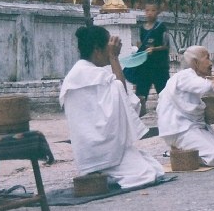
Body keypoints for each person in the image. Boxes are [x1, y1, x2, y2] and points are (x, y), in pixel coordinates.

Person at [59, 26, 164, 189]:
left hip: (96, 148)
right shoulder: (92, 75)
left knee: (155, 169)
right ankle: (106, 177)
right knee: (146, 175)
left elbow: (117, 104)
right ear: (97, 49)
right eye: (108, 48)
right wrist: (114, 58)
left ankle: (105, 176)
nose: (112, 51)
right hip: (103, 150)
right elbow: (123, 100)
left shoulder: (79, 74)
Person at [156, 46, 214, 167]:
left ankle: (186, 151)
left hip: (193, 127)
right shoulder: (184, 75)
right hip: (180, 130)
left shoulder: (192, 78)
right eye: (207, 58)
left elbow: (193, 108)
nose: (211, 63)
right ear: (195, 63)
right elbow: (205, 87)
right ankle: (181, 155)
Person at [129, 0, 170, 116]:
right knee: (141, 93)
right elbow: (141, 44)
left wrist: (154, 49)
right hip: (145, 66)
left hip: (159, 66)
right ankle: (138, 117)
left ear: (157, 12)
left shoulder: (161, 27)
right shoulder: (142, 28)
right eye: (147, 10)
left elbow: (166, 45)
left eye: (153, 10)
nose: (150, 13)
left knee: (164, 93)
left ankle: (168, 115)